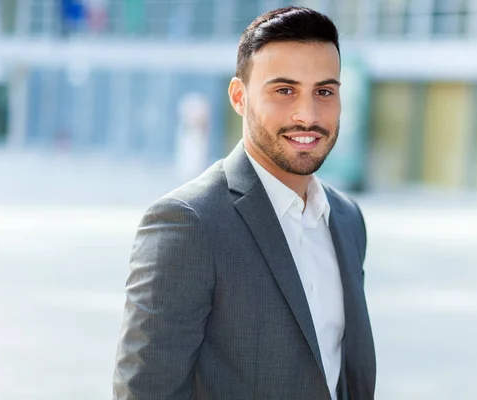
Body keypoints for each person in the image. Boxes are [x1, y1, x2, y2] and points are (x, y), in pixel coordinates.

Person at [113, 6, 376, 400]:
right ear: (239, 97)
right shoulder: (188, 222)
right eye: (284, 90)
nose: (307, 114)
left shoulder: (347, 219)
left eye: (324, 91)